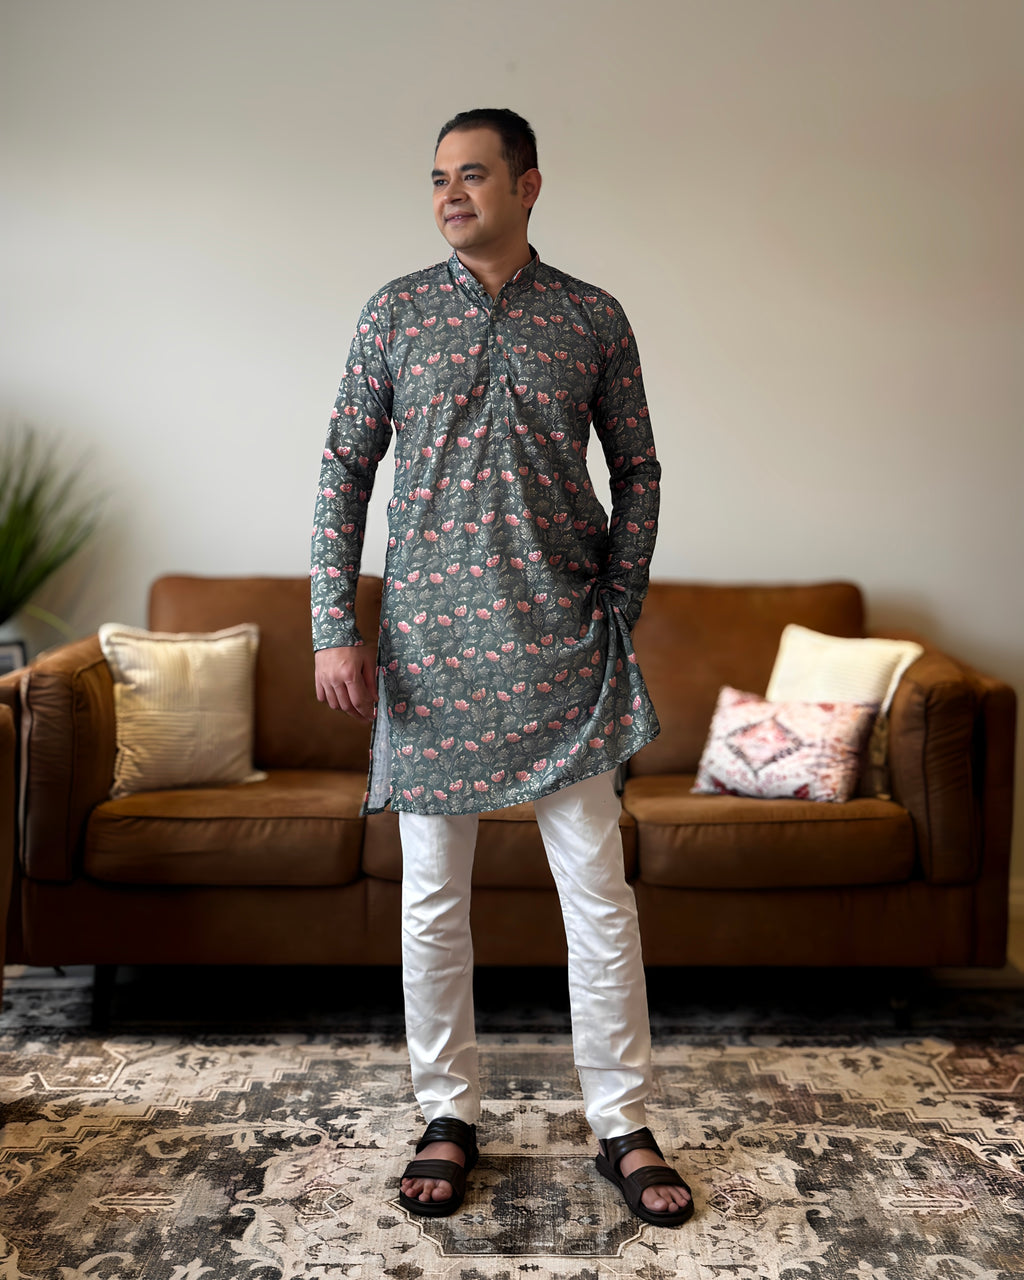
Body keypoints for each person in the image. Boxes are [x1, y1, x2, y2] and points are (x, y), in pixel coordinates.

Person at [311, 108, 693, 1228]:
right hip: (429, 653)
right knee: (432, 899)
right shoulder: (394, 312)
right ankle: (446, 1113)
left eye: (472, 175)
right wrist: (337, 622)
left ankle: (621, 1119)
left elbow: (639, 470)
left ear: (528, 184)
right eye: (438, 178)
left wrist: (613, 612)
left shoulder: (590, 317)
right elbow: (342, 469)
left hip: (562, 652)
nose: (450, 194)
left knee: (599, 897)